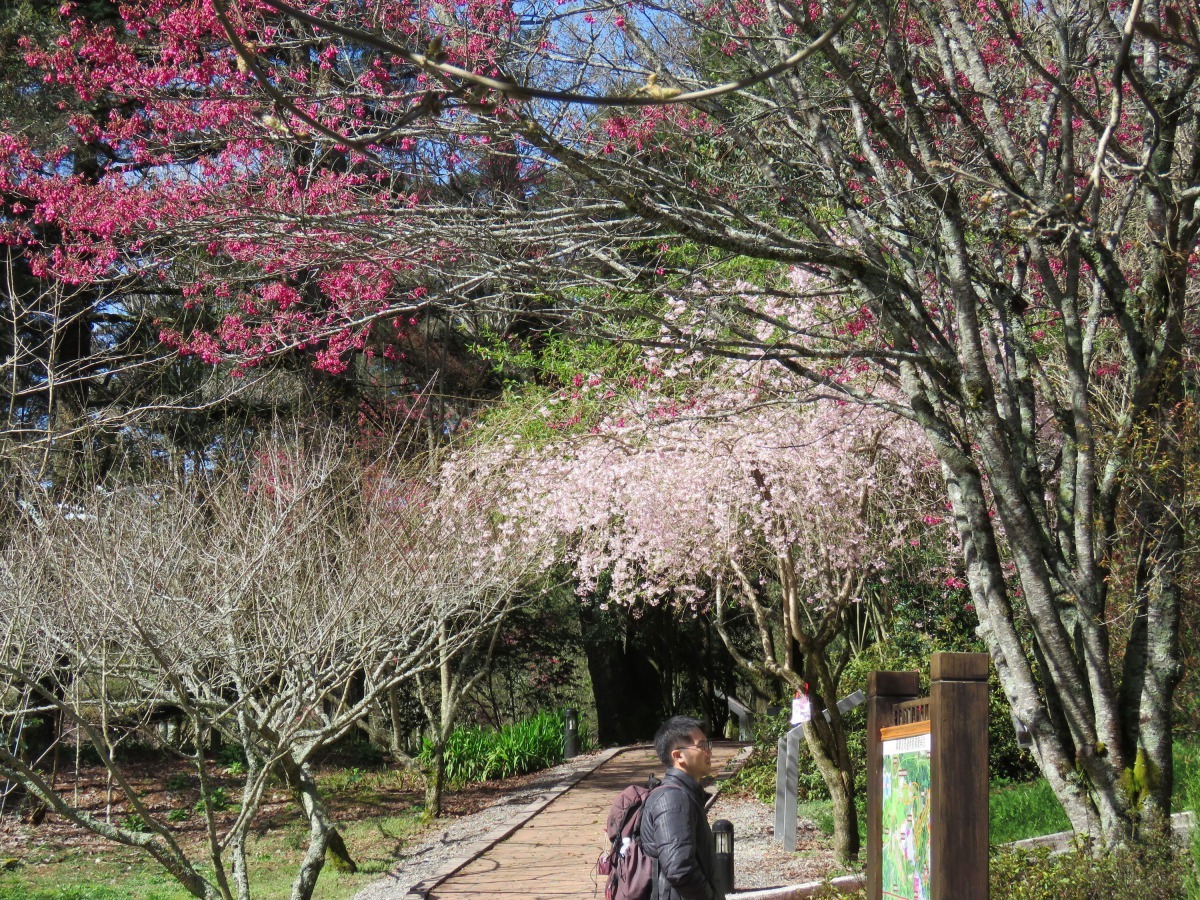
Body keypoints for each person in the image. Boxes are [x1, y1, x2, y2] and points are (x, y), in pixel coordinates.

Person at [639, 716, 723, 900]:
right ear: (678, 756)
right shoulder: (673, 799)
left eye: (708, 745)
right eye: (701, 746)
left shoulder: (684, 794)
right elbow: (680, 869)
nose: (708, 752)